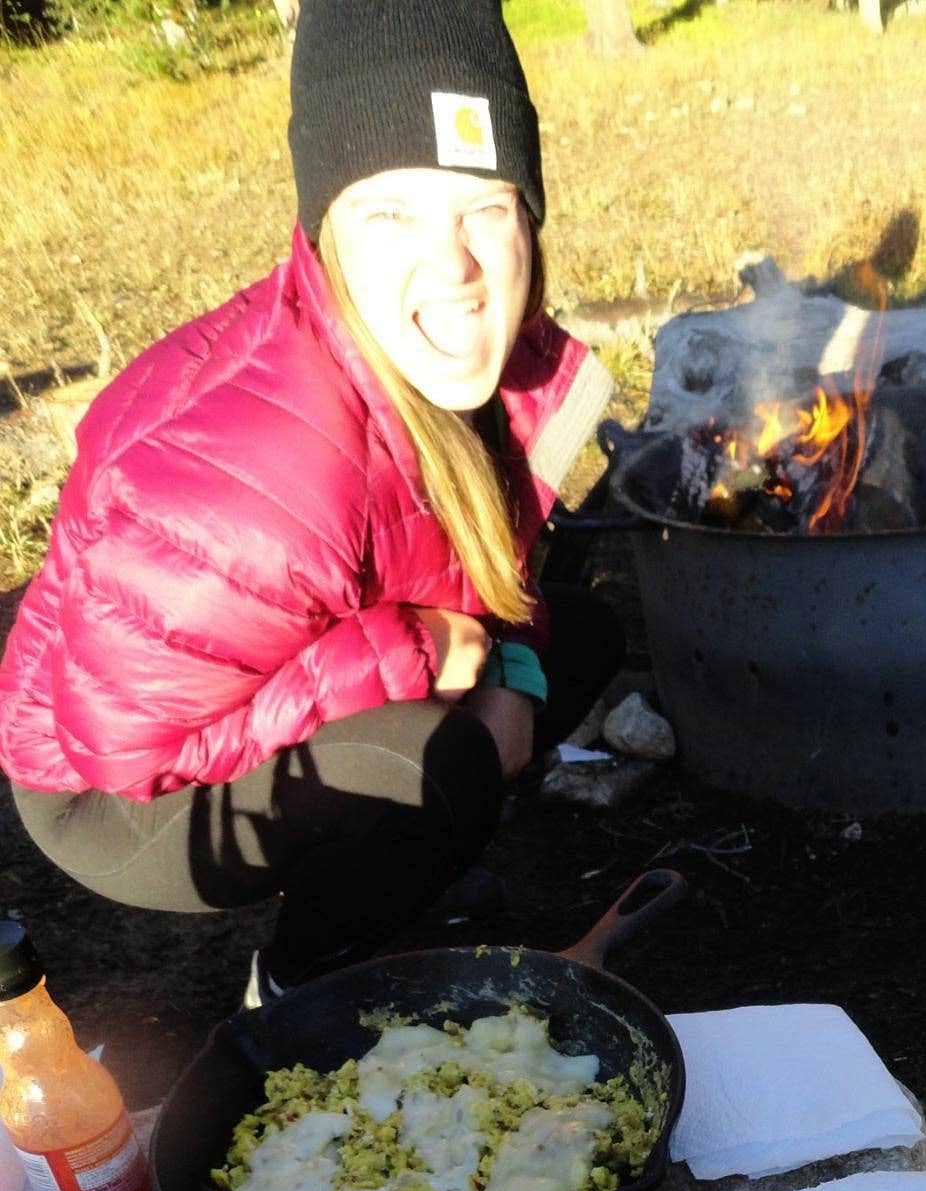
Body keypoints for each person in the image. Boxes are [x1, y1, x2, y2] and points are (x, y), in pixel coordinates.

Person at [0, 0, 620, 1007]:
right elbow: (122, 746)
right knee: (437, 758)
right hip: (109, 787)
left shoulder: (478, 365)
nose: (455, 267)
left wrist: (499, 668)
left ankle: (407, 858)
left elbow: (500, 569)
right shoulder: (260, 484)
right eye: (392, 213)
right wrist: (409, 654)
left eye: (485, 208)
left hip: (266, 674)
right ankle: (295, 983)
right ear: (325, 230)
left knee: (576, 641)